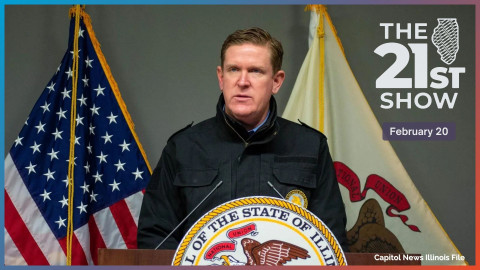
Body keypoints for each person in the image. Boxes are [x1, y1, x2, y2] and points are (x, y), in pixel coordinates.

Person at [137, 27, 348, 251]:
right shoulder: (183, 147)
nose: (242, 81)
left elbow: (331, 241)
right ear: (221, 77)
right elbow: (155, 238)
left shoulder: (310, 146)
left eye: (256, 71)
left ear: (276, 81)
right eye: (234, 69)